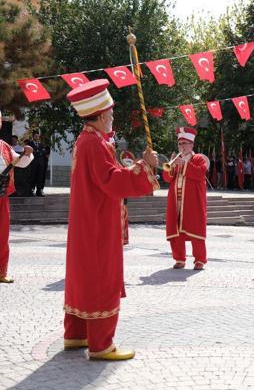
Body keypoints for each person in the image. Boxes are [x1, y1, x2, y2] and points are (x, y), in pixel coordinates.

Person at [63, 79, 159, 361]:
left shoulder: (87, 140)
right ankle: (101, 344)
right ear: (102, 114)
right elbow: (112, 182)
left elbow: (105, 176)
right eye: (111, 112)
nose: (113, 116)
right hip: (98, 224)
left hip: (87, 221)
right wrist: (145, 167)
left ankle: (76, 334)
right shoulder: (95, 143)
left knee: (83, 276)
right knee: (101, 277)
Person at [163, 127, 209, 271]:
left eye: (184, 143)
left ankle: (200, 260)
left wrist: (185, 165)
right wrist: (170, 167)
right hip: (176, 200)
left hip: (193, 201)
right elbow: (167, 178)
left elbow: (201, 173)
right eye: (180, 144)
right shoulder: (176, 160)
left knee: (195, 229)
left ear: (191, 145)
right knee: (176, 230)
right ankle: (179, 259)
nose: (182, 147)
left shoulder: (199, 158)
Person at [0, 120, 33, 283]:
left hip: (2, 194)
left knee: (2, 234)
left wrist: (27, 153)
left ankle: (1, 271)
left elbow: (20, 162)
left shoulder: (4, 146)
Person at [26, 131, 50, 197]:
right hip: (33, 164)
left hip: (40, 164)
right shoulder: (30, 144)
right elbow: (32, 151)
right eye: (35, 136)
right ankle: (31, 190)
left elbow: (44, 151)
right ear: (33, 136)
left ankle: (39, 190)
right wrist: (40, 151)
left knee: (40, 177)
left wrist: (37, 151)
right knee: (32, 177)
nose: (37, 137)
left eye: (38, 136)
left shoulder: (41, 144)